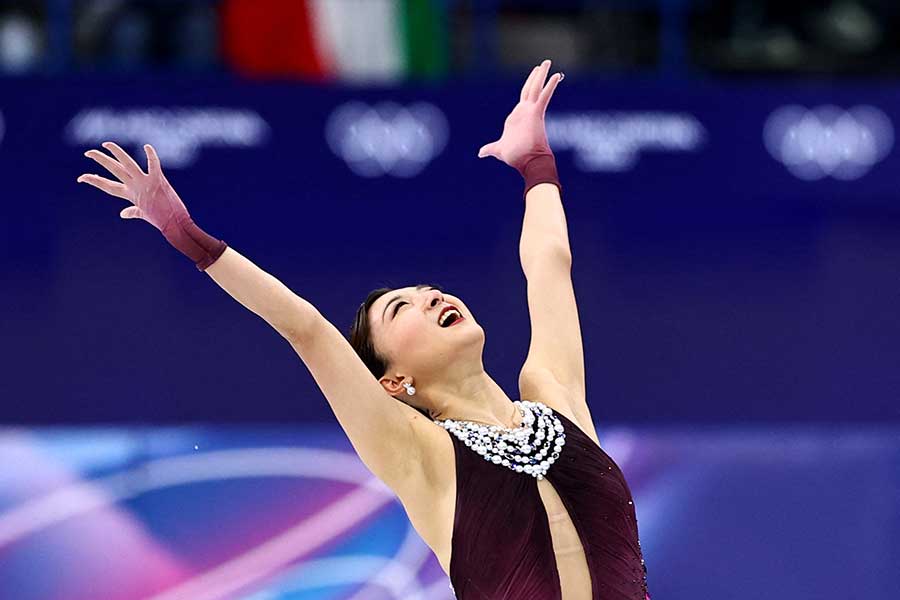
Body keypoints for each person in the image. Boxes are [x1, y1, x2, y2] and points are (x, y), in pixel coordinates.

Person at [77, 59, 650, 599]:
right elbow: (305, 328)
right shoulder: (417, 452)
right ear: (392, 381)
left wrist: (535, 163)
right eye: (402, 309)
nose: (432, 297)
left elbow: (550, 265)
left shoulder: (554, 395)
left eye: (429, 292)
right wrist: (188, 237)